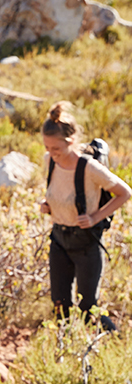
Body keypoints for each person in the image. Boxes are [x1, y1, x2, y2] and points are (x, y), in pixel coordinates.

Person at [40, 101, 130, 329]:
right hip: (58, 240)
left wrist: (95, 217)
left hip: (86, 244)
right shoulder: (49, 161)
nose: (51, 153)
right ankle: (65, 354)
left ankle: (112, 342)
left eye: (56, 149)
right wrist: (47, 204)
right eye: (47, 148)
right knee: (60, 306)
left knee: (88, 307)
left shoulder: (90, 168)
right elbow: (58, 191)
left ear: (71, 142)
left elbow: (124, 192)